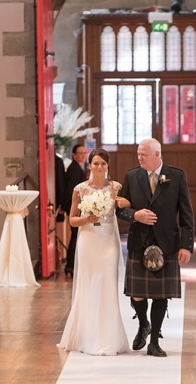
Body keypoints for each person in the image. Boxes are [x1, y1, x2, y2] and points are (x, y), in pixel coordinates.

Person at [116, 138, 194, 357]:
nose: (139, 157)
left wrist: (186, 246)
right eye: (138, 154)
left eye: (143, 154)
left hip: (167, 243)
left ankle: (154, 342)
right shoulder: (132, 176)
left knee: (161, 296)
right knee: (136, 294)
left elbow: (187, 214)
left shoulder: (176, 176)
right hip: (139, 242)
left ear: (157, 155)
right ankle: (143, 324)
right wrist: (135, 215)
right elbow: (120, 209)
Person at [57, 148, 130, 356]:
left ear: (108, 166)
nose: (99, 167)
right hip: (88, 240)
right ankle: (86, 336)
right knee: (89, 286)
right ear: (90, 165)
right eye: (95, 163)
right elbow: (72, 219)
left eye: (103, 164)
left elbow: (124, 209)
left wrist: (127, 202)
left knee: (107, 284)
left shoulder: (116, 187)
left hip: (108, 242)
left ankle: (108, 338)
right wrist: (86, 219)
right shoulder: (80, 189)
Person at [62, 144, 89, 277]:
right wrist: (67, 206)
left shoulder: (77, 168)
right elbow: (72, 191)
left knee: (75, 237)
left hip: (75, 207)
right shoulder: (75, 170)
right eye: (80, 153)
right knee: (75, 237)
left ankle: (71, 265)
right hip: (75, 208)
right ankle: (71, 265)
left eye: (85, 153)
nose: (83, 155)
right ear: (74, 155)